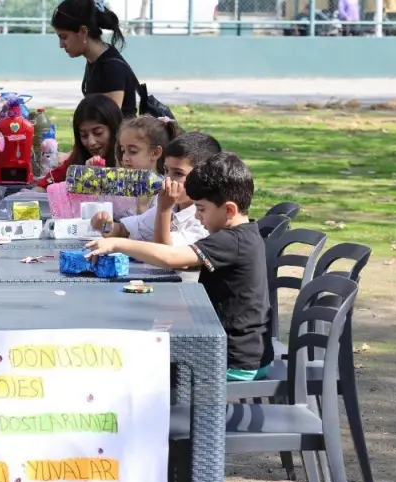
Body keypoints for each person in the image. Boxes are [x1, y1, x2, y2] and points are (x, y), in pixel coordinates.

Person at [86, 152, 271, 379]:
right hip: (239, 352)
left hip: (233, 360)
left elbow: (171, 258)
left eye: (201, 210)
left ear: (229, 210)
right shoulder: (244, 234)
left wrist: (118, 243)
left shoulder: (232, 240)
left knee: (143, 367)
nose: (199, 218)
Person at [94, 130, 219, 249]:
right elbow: (123, 230)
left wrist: (164, 210)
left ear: (204, 177)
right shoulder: (173, 208)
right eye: (166, 171)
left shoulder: (204, 220)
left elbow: (165, 255)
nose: (167, 179)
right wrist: (105, 225)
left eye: (178, 173)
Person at [52, 0, 140, 116]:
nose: (61, 45)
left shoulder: (111, 68)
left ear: (83, 32)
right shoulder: (95, 61)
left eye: (63, 37)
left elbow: (107, 126)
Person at [34, 95, 122, 187]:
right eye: (84, 135)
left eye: (98, 133)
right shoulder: (76, 162)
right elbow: (43, 185)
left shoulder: (129, 161)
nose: (91, 142)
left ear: (114, 129)